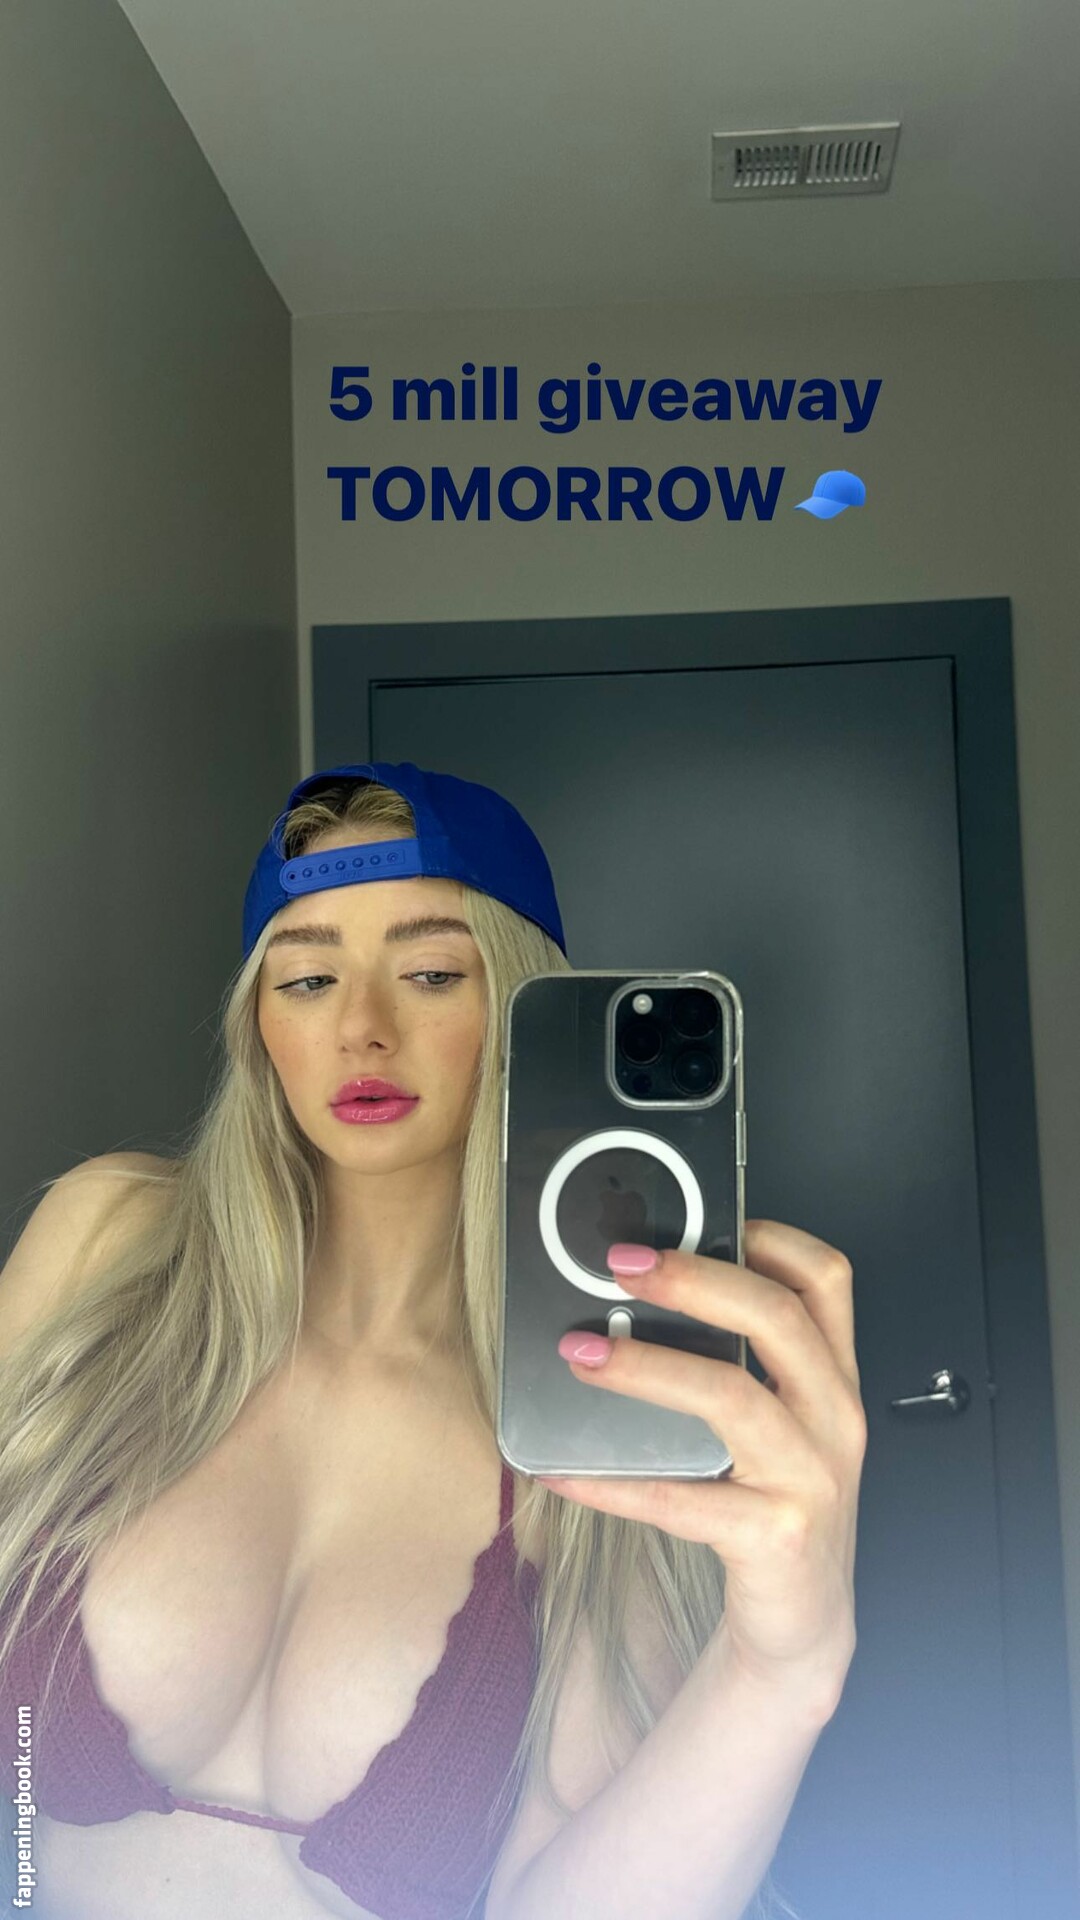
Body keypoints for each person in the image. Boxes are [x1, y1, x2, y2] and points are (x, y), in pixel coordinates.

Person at [0, 762, 866, 1920]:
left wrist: (783, 1674)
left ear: (520, 1013)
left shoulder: (590, 1407)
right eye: (308, 977)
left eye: (430, 973)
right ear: (260, 1024)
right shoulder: (109, 1242)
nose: (362, 1026)